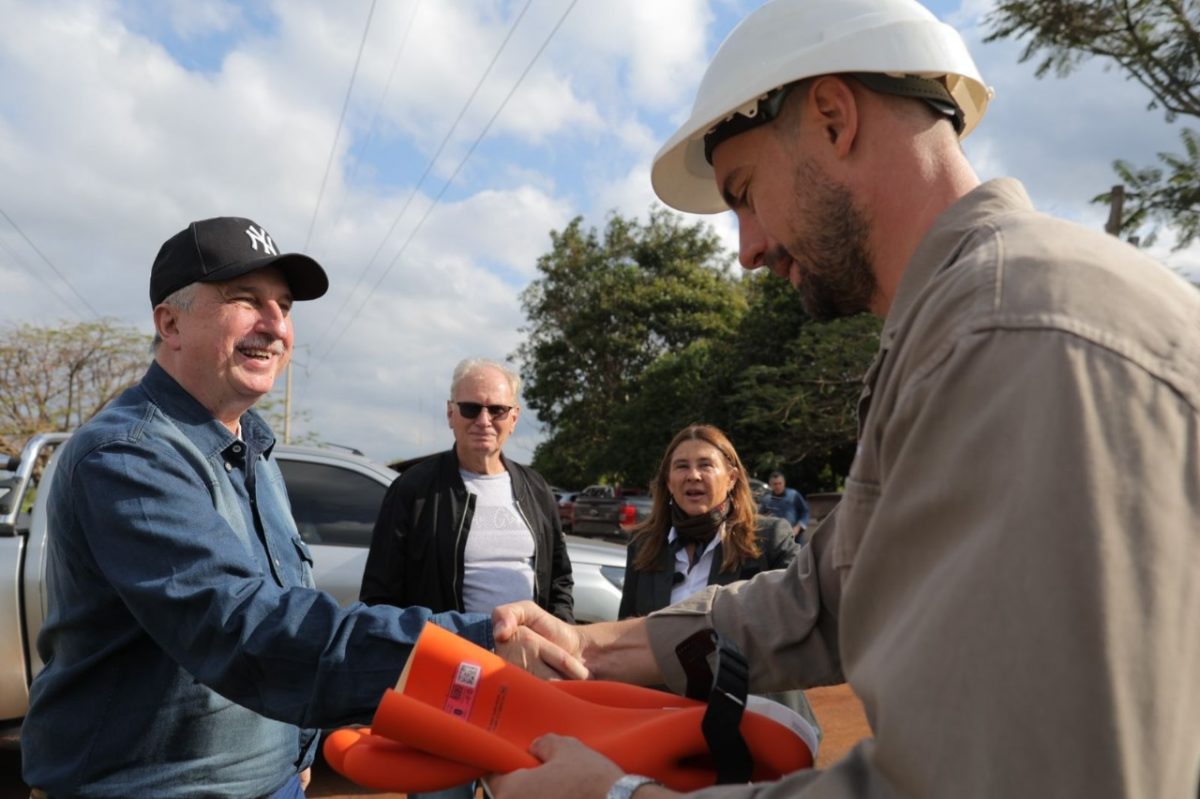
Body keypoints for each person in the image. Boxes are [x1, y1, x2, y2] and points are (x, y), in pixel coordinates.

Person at [487, 0, 1200, 797]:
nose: (748, 250)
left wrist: (615, 796)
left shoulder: (1010, 336)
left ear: (832, 115)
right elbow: (824, 592)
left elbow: (1003, 776)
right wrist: (594, 648)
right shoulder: (961, 327)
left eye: (746, 192)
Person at [20, 217, 581, 799]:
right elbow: (246, 628)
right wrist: (481, 647)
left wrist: (300, 748)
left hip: (273, 781)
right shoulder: (128, 455)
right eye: (245, 300)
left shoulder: (252, 447)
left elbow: (292, 603)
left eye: (284, 307)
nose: (275, 326)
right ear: (170, 322)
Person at [360, 356, 575, 799]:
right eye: (471, 408)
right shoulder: (414, 490)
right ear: (450, 414)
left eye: (497, 410)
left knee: (526, 790)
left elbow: (559, 581)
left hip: (524, 680)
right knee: (443, 792)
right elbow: (380, 594)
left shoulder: (534, 488)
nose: (484, 420)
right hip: (446, 682)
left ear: (513, 417)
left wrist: (556, 648)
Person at [618, 425, 819, 740]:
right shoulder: (643, 547)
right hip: (667, 723)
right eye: (681, 466)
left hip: (757, 725)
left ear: (732, 477)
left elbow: (801, 613)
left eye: (705, 465)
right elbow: (626, 632)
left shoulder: (770, 539)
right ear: (668, 481)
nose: (693, 475)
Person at [756, 471, 810, 543]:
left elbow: (805, 511)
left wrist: (799, 526)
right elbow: (760, 517)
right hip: (776, 539)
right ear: (770, 485)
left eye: (780, 483)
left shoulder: (793, 495)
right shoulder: (766, 500)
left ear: (784, 483)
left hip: (795, 537)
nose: (778, 486)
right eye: (775, 484)